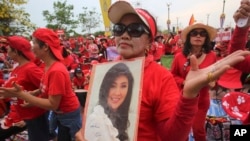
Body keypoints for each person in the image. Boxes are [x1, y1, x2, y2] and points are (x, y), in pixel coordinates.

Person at [0, 28, 82, 141]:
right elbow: (43, 87)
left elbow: (52, 104)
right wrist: (31, 94)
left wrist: (23, 95)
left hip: (68, 116)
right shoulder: (48, 66)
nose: (31, 47)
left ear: (45, 47)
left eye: (33, 43)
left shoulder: (56, 70)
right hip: (60, 114)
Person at [170, 22, 218, 141]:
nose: (198, 36)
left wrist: (212, 81)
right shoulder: (179, 57)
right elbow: (172, 76)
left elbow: (216, 77)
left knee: (198, 130)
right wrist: (185, 82)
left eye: (202, 34)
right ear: (188, 37)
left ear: (206, 38)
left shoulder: (212, 56)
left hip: (202, 101)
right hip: (182, 101)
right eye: (194, 33)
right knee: (182, 132)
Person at [0, 36, 49, 141]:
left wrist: (33, 102)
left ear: (16, 52)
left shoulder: (30, 69)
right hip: (21, 115)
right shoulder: (17, 68)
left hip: (34, 116)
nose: (6, 50)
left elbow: (48, 89)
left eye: (9, 48)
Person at [85, 62, 134, 141]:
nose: (117, 93)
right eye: (112, 86)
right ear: (105, 87)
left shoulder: (120, 116)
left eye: (123, 86)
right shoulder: (96, 119)